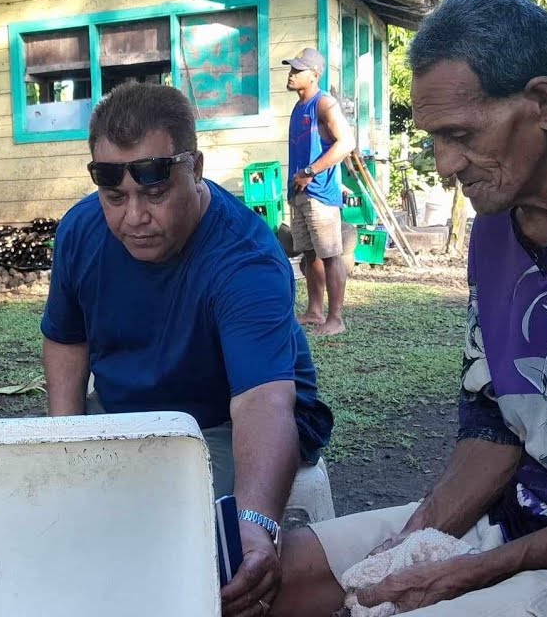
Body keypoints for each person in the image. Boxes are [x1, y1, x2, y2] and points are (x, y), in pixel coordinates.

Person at [273, 0, 547, 617]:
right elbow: (492, 421)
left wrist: (475, 572)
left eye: (460, 134)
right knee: (274, 579)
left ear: (544, 103)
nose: (444, 165)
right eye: (434, 137)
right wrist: (410, 549)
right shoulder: (496, 226)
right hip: (518, 521)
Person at [41, 82, 334, 617]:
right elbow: (66, 340)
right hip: (124, 414)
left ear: (195, 168)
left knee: (176, 540)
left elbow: (263, 403)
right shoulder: (81, 230)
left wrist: (256, 525)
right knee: (44, 515)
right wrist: (65, 444)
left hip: (223, 420)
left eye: (154, 193)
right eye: (115, 197)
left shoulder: (245, 258)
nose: (134, 217)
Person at [285, 47, 355, 337]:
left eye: (297, 70)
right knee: (309, 254)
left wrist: (310, 171)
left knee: (330, 255)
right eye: (291, 69)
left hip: (320, 194)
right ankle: (315, 311)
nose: (291, 74)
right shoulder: (298, 107)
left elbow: (346, 142)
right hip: (299, 194)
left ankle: (335, 318)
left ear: (314, 74)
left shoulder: (324, 103)